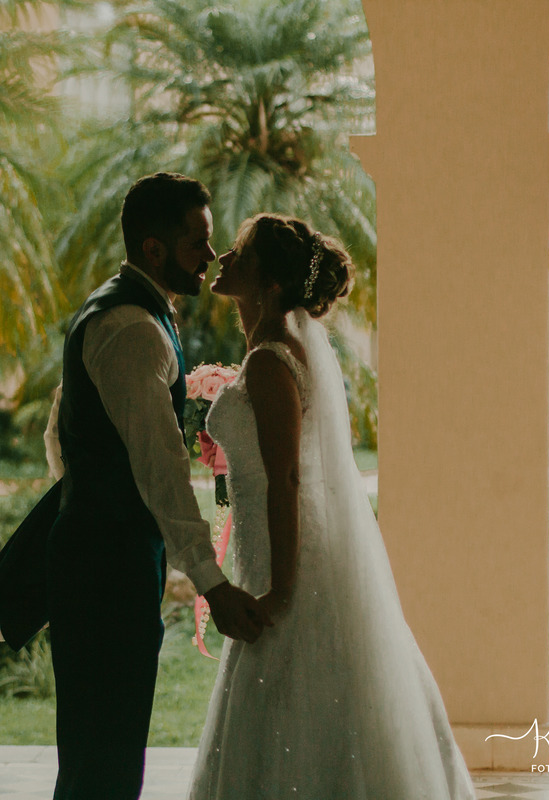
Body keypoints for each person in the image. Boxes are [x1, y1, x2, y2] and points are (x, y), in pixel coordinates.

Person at [187, 214, 477, 799]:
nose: (225, 259)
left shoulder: (271, 360)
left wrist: (283, 586)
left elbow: (288, 477)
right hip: (274, 547)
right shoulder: (272, 354)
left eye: (239, 253)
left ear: (268, 284)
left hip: (287, 559)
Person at [44, 173, 271, 800]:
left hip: (100, 559)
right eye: (197, 242)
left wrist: (85, 494)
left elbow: (58, 430)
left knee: (100, 752)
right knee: (105, 760)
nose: (209, 255)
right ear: (153, 248)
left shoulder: (122, 311)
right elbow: (160, 467)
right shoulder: (132, 329)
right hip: (106, 572)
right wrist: (211, 583)